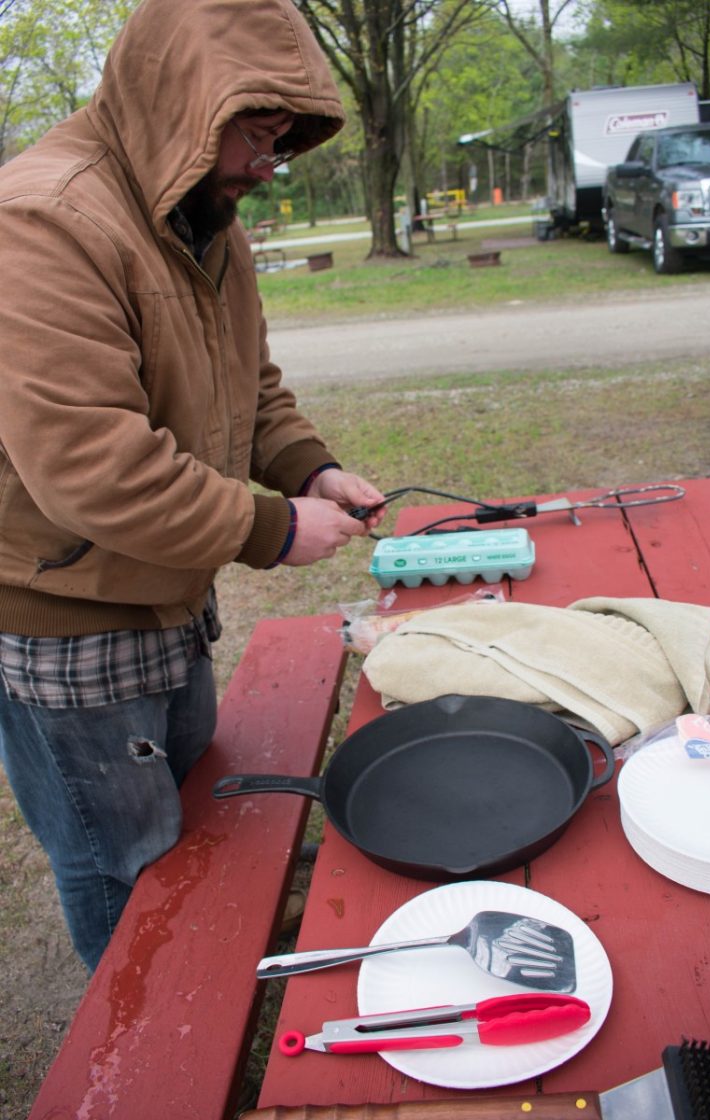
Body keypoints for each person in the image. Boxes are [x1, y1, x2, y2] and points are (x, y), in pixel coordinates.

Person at [0, 0, 385, 973]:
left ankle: (189, 989)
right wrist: (269, 525)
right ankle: (137, 1052)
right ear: (185, 101)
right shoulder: (44, 219)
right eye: (257, 131)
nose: (269, 163)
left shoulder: (207, 218)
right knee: (119, 863)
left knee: (188, 824)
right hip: (67, 620)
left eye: (282, 140)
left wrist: (314, 468)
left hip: (171, 588)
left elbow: (249, 388)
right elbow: (92, 464)